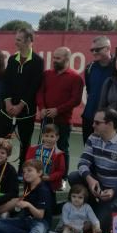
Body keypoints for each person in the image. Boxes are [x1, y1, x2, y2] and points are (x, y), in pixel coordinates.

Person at [68, 108, 117, 229]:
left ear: (110, 124)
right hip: (100, 185)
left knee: (100, 225)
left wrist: (114, 191)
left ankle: (101, 210)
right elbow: (83, 163)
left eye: (97, 122)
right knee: (74, 176)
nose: (92, 125)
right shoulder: (93, 138)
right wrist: (90, 179)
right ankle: (93, 207)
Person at [36, 47, 84, 177]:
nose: (55, 60)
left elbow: (75, 100)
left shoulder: (75, 78)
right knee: (44, 147)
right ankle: (42, 173)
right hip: (46, 119)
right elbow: (40, 92)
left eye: (58, 58)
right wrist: (42, 108)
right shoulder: (46, 74)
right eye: (54, 58)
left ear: (67, 59)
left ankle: (62, 178)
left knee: (62, 149)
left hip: (63, 122)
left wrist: (58, 110)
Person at [0, 160, 54, 233]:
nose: (26, 174)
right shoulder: (27, 185)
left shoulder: (44, 190)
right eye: (24, 172)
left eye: (29, 171)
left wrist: (28, 205)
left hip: (41, 222)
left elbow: (40, 215)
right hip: (26, 219)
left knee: (36, 232)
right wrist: (20, 204)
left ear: (39, 173)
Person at [4, 28, 44, 169]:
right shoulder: (11, 59)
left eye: (19, 40)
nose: (16, 43)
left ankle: (22, 169)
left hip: (27, 111)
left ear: (29, 41)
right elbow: (6, 82)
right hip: (8, 110)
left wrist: (20, 106)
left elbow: (34, 87)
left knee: (25, 141)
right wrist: (8, 103)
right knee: (3, 140)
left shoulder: (38, 61)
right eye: (16, 39)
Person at [82, 36, 114, 144]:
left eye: (97, 49)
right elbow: (90, 91)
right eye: (92, 50)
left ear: (107, 48)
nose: (94, 52)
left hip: (108, 120)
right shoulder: (89, 68)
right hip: (89, 117)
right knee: (88, 152)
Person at [24, 124, 66, 192]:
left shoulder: (59, 154)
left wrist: (50, 177)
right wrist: (34, 175)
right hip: (33, 180)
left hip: (49, 183)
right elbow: (27, 164)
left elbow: (61, 171)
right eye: (46, 136)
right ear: (42, 136)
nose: (49, 139)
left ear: (57, 137)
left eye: (52, 136)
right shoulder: (33, 149)